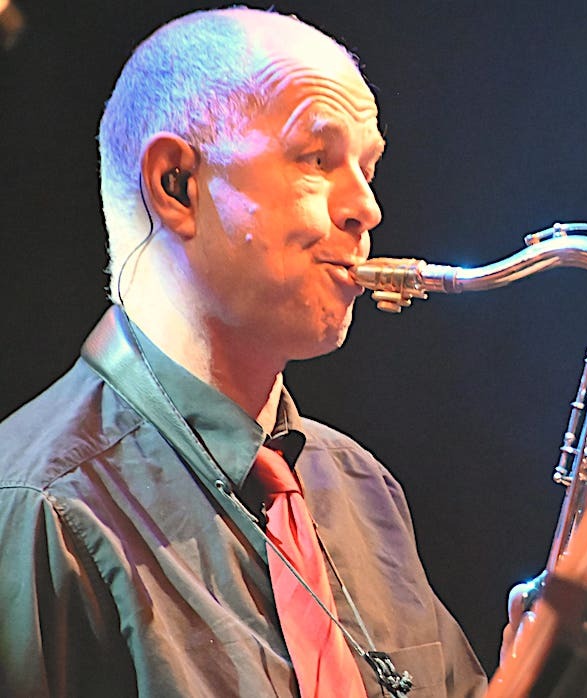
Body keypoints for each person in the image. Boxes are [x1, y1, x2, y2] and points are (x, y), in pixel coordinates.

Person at [0, 7, 488, 697]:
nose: (367, 208)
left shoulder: (363, 488)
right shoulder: (37, 507)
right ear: (177, 185)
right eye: (316, 159)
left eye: (368, 167)